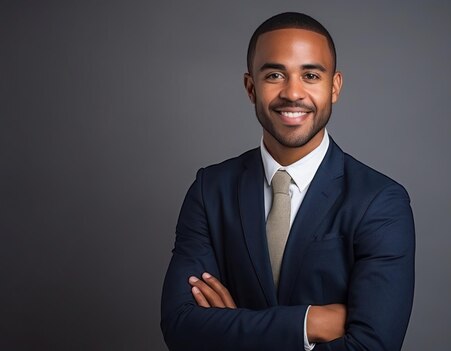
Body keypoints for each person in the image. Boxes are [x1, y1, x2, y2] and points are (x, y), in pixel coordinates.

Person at [161, 12, 415, 351]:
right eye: (275, 74)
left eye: (310, 75)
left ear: (334, 86)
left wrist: (233, 332)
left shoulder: (381, 201)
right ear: (251, 87)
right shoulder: (210, 190)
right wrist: (309, 323)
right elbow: (180, 326)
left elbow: (372, 347)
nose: (293, 93)